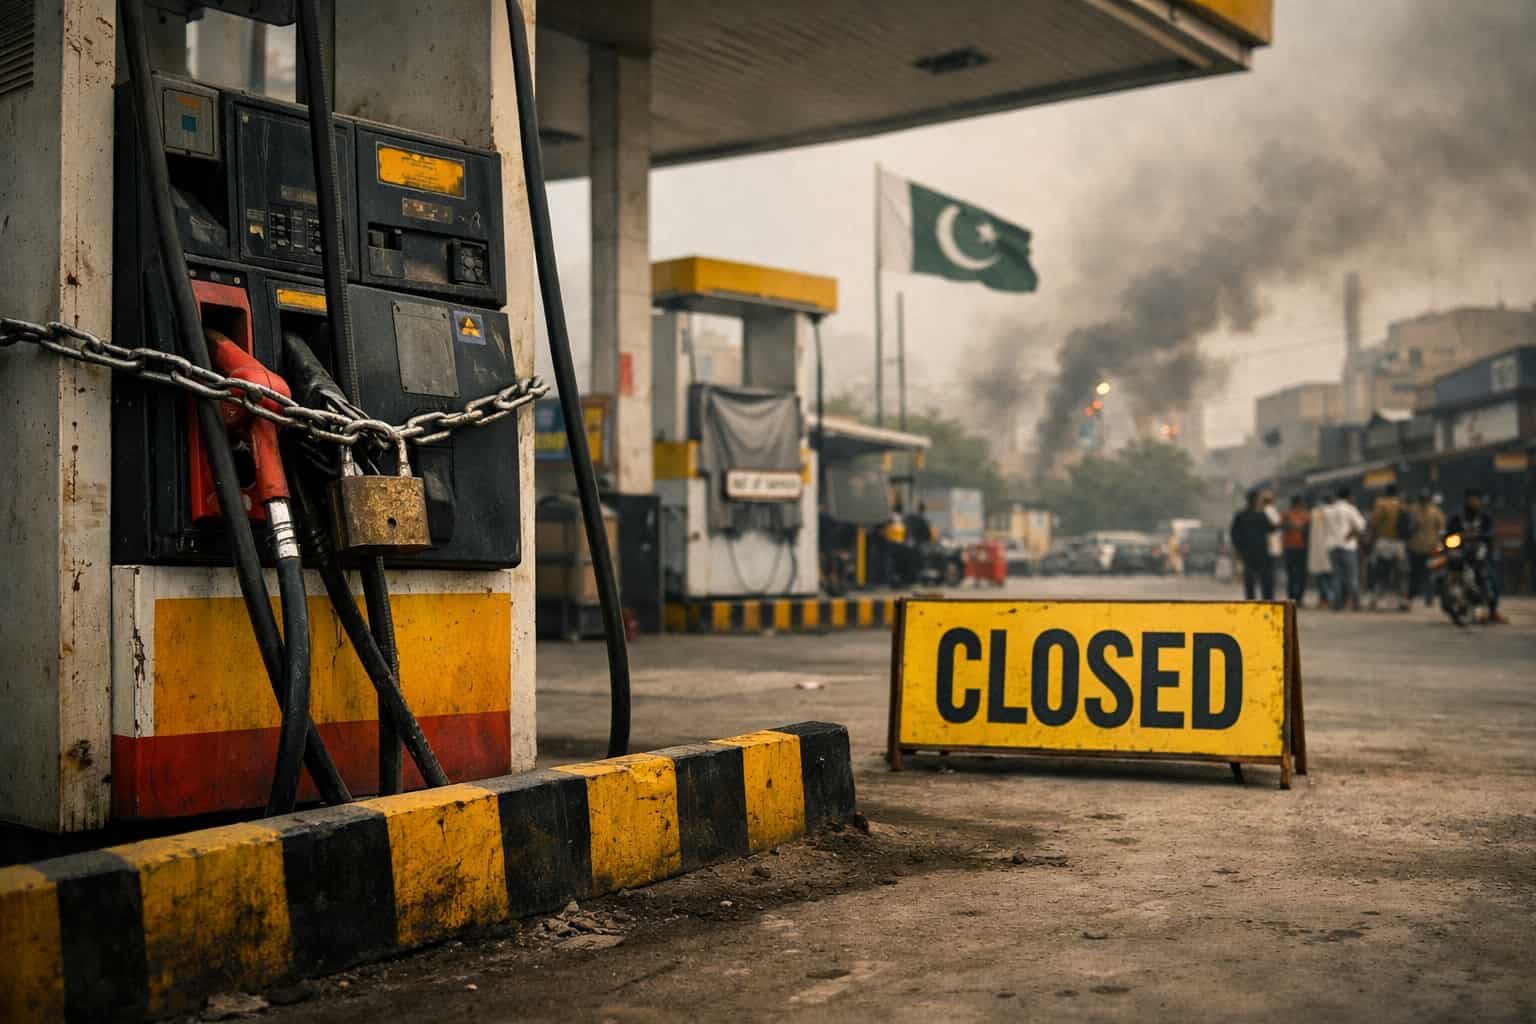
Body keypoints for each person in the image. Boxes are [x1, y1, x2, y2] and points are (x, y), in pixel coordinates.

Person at [1445, 489, 1506, 624]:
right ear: (1466, 500)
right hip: (1460, 551)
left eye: (1476, 499)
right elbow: (1448, 533)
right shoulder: (1457, 517)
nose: (1474, 502)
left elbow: (1490, 533)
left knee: (1490, 575)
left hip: (1480, 551)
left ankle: (1492, 610)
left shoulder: (1485, 517)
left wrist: (1482, 536)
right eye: (1472, 499)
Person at [1367, 484, 1412, 610]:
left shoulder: (1381, 504)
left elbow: (1373, 521)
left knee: (1381, 572)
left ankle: (1376, 599)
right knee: (1401, 574)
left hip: (1384, 542)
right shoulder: (1402, 505)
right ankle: (1403, 600)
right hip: (1399, 543)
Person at [1229, 489, 1277, 600]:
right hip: (1261, 551)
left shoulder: (1241, 515)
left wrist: (1238, 549)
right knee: (1265, 578)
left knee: (1249, 578)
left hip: (1247, 552)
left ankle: (1250, 599)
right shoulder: (1261, 514)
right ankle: (1267, 600)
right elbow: (1272, 528)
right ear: (1256, 500)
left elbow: (1234, 534)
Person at [1325, 487, 1366, 611]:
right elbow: (1361, 525)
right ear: (1349, 496)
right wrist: (1352, 533)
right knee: (1352, 577)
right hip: (1348, 546)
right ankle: (1356, 603)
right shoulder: (1350, 509)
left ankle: (1337, 604)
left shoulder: (1329, 510)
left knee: (1336, 577)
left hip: (1332, 546)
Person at [1407, 489, 1445, 607]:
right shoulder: (1434, 511)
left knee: (1420, 574)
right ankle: (1423, 598)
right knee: (1424, 574)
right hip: (1424, 547)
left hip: (1422, 547)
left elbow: (1441, 527)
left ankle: (1418, 597)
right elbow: (1442, 527)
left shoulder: (1413, 510)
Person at [1281, 495, 1310, 603]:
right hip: (1290, 548)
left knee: (1301, 575)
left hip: (1301, 548)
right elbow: (1284, 526)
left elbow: (1307, 529)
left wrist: (1295, 526)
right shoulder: (1287, 515)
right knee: (1291, 574)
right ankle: (1292, 597)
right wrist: (1297, 527)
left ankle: (1299, 598)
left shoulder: (1306, 515)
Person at [1307, 493, 1333, 608]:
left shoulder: (1314, 512)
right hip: (1330, 549)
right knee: (1330, 577)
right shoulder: (1331, 512)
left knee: (1321, 578)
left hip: (1317, 550)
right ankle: (1330, 599)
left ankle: (1323, 600)